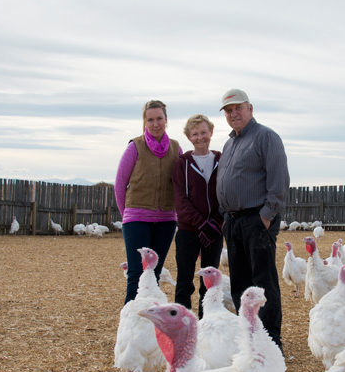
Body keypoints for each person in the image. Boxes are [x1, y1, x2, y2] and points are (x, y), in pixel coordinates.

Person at [215, 89, 289, 351]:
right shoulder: (230, 143)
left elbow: (279, 181)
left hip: (257, 219)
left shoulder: (266, 137)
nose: (233, 113)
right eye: (228, 110)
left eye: (238, 108)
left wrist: (266, 217)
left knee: (263, 281)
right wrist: (226, 218)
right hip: (234, 221)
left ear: (250, 108)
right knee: (240, 283)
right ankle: (249, 338)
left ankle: (269, 342)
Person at [114, 100, 180, 303]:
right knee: (136, 274)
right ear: (145, 122)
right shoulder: (135, 147)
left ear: (166, 120)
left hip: (166, 220)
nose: (155, 123)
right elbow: (120, 184)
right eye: (150, 119)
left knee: (154, 274)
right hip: (136, 219)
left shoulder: (176, 148)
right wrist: (126, 214)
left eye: (159, 118)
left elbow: (180, 183)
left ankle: (150, 327)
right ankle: (130, 325)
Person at [172, 114, 223, 317]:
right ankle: (183, 325)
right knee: (185, 281)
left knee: (209, 282)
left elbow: (226, 195)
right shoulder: (182, 164)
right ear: (188, 137)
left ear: (211, 133)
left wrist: (217, 223)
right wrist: (202, 224)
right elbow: (180, 200)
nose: (200, 137)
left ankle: (207, 322)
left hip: (215, 230)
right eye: (195, 134)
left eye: (204, 132)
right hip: (189, 230)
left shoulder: (221, 159)